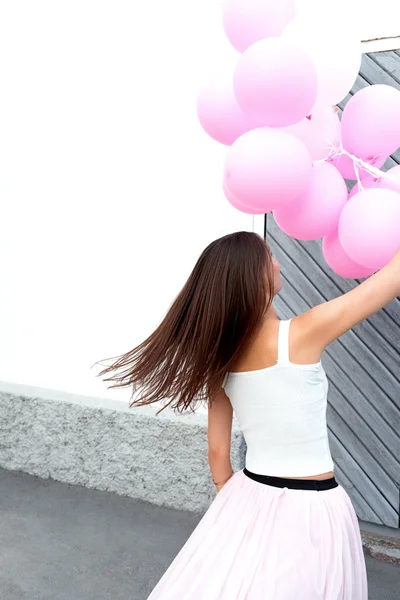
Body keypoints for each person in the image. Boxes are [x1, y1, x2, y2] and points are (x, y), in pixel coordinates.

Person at [98, 231, 400, 599]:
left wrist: (232, 500)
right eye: (269, 256)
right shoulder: (302, 333)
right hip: (312, 504)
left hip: (249, 492)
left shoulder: (219, 358)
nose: (278, 262)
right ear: (253, 274)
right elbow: (390, 280)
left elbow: (216, 452)